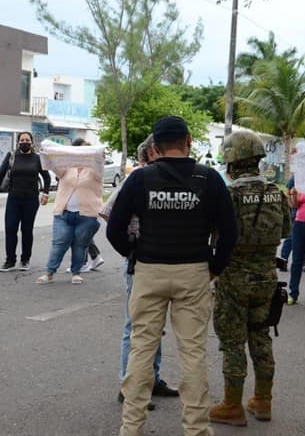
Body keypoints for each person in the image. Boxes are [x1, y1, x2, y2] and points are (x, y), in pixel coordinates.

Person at [107, 115, 237, 436]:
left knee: (141, 350)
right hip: (193, 273)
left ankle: (131, 428)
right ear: (188, 140)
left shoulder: (140, 179)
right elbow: (230, 233)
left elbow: (113, 228)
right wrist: (214, 268)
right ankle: (196, 429)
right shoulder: (209, 179)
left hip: (149, 272)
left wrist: (135, 254)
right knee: (193, 353)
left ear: (155, 145)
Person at [209, 130, 291, 426]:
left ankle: (232, 405)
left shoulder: (228, 195)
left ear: (231, 162)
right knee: (261, 335)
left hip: (233, 277)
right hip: (267, 276)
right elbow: (286, 230)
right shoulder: (276, 192)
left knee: (232, 341)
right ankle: (262, 401)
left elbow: (215, 233)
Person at [101, 136, 178, 411]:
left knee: (154, 327)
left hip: (157, 263)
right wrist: (130, 245)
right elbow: (108, 213)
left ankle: (152, 379)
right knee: (135, 325)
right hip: (140, 261)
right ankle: (129, 384)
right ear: (150, 155)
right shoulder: (136, 180)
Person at [37, 138, 103, 285]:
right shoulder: (67, 167)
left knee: (80, 244)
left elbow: (99, 171)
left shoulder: (95, 169)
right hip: (64, 213)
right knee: (59, 243)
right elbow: (53, 166)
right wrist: (46, 153)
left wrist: (98, 157)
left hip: (86, 215)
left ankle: (76, 272)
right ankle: (49, 272)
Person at [0, 132, 51, 272]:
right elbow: (0, 174)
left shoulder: (37, 158)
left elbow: (46, 177)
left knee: (27, 230)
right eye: (22, 140)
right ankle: (10, 260)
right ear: (18, 142)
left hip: (31, 200)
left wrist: (46, 193)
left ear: (31, 142)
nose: (25, 142)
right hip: (14, 199)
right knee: (10, 229)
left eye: (27, 140)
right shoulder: (12, 157)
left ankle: (25, 260)